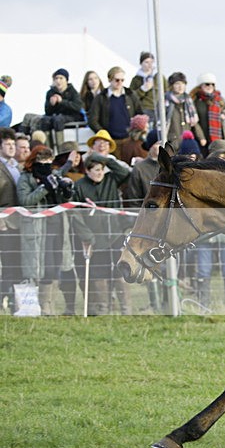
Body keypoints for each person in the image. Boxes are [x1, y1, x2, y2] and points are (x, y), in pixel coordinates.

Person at [16, 146, 76, 315]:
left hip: (58, 225)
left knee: (57, 265)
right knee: (45, 267)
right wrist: (44, 188)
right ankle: (44, 307)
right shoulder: (26, 178)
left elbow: (64, 199)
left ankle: (50, 304)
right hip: (39, 228)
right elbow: (25, 200)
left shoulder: (53, 174)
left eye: (49, 161)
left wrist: (66, 191)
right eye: (43, 161)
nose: (46, 165)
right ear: (34, 161)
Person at [70, 151, 131, 315]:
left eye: (101, 169)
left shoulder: (111, 180)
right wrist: (86, 236)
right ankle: (103, 308)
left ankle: (126, 308)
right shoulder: (80, 186)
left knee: (120, 270)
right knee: (98, 273)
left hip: (115, 233)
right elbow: (75, 214)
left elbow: (125, 173)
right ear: (87, 171)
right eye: (96, 170)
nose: (99, 173)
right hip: (95, 238)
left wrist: (104, 159)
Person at [88, 66, 144, 158]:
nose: (120, 83)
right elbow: (92, 120)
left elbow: (140, 114)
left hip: (129, 140)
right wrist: (104, 135)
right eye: (117, 80)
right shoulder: (101, 97)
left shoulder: (131, 95)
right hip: (111, 141)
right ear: (110, 79)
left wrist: (136, 133)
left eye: (122, 80)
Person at [0, 127, 23, 309]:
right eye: (7, 144)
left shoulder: (15, 166)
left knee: (16, 263)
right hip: (4, 223)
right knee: (7, 264)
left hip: (19, 221)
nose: (11, 147)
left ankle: (15, 300)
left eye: (12, 144)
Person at [37, 68, 84, 152]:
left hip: (70, 116)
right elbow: (47, 111)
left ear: (66, 80)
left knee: (58, 120)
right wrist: (51, 104)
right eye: (56, 78)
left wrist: (62, 101)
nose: (58, 81)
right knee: (45, 120)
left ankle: (60, 150)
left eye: (61, 78)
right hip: (56, 116)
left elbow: (77, 107)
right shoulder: (50, 92)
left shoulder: (73, 92)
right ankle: (49, 150)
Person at [192, 73, 225, 155]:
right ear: (201, 86)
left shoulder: (218, 99)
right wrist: (201, 137)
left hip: (220, 138)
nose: (210, 86)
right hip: (204, 139)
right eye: (207, 84)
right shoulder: (196, 101)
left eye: (212, 84)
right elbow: (195, 122)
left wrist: (224, 114)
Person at [164, 71, 203, 150]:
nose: (180, 86)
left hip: (186, 142)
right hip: (172, 143)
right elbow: (159, 121)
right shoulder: (165, 101)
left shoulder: (188, 101)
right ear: (172, 86)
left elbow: (194, 122)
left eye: (183, 83)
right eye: (177, 84)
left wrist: (201, 137)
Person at [129, 51, 165, 125]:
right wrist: (143, 89)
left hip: (159, 110)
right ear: (141, 63)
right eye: (146, 62)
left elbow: (166, 91)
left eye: (151, 62)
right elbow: (131, 97)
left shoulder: (159, 77)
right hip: (144, 110)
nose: (149, 65)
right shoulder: (136, 79)